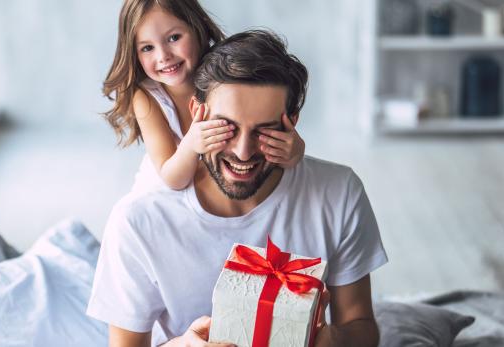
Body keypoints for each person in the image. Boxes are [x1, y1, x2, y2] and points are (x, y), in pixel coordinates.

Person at [88, 30, 388, 347]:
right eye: (227, 127)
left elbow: (361, 327)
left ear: (292, 123)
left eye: (264, 131)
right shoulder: (138, 220)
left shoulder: (338, 194)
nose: (243, 152)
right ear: (197, 113)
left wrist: (331, 342)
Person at [103, 0, 305, 194]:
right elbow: (173, 180)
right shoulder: (147, 98)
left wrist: (295, 150)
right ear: (134, 54)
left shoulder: (223, 74)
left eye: (173, 38)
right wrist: (191, 144)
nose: (163, 56)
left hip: (218, 188)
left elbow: (272, 151)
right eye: (147, 48)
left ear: (197, 28)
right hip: (169, 189)